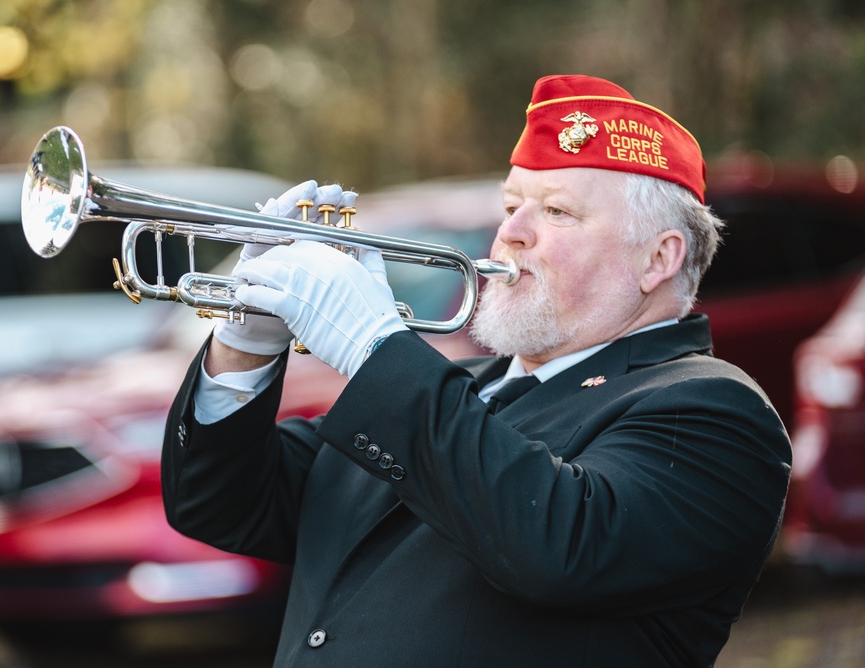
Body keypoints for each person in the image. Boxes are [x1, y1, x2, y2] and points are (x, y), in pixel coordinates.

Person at [161, 74, 791, 667]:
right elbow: (220, 505)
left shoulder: (712, 410)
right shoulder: (465, 391)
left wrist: (376, 349)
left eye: (558, 212)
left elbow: (558, 547)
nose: (509, 233)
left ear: (658, 258)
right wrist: (246, 341)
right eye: (512, 204)